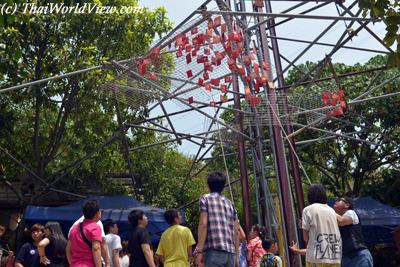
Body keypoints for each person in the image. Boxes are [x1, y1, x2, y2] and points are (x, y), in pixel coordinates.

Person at [194, 171, 240, 267]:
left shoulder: (205, 199)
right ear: (223, 186)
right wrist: (237, 256)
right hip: (230, 254)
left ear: (209, 185)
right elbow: (236, 231)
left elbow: (203, 224)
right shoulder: (230, 204)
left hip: (214, 251)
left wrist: (199, 251)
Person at [289, 184, 342, 267]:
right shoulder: (331, 211)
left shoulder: (308, 210)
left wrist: (304, 228)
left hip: (316, 259)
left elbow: (306, 238)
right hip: (334, 257)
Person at [334, 197, 373, 267]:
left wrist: (327, 210)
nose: (336, 201)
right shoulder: (335, 220)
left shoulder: (351, 213)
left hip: (358, 257)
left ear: (347, 205)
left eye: (339, 200)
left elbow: (341, 221)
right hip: (346, 259)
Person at [66, 200, 103, 267]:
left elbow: (68, 249)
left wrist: (72, 263)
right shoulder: (95, 228)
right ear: (97, 213)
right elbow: (96, 248)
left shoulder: (74, 229)